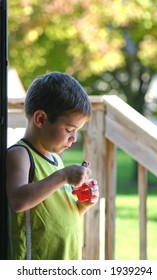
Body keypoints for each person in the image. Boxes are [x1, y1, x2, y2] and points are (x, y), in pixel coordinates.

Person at [6, 72, 99, 260]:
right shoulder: (20, 154)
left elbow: (56, 214)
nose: (74, 138)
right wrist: (63, 176)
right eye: (69, 130)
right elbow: (19, 201)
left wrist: (82, 204)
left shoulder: (56, 161)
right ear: (41, 119)